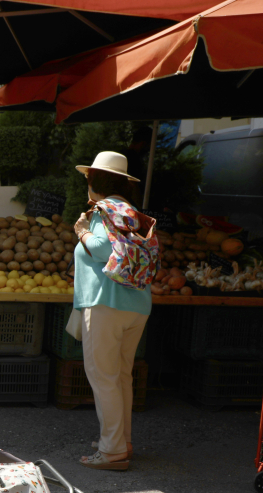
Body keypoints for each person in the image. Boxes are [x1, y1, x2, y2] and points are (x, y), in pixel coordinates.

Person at [73, 151, 151, 471]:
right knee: (120, 377)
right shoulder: (132, 211)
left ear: (95, 181)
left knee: (103, 377)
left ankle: (112, 450)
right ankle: (122, 440)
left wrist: (81, 231)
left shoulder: (102, 210)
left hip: (105, 303)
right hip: (137, 305)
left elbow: (103, 249)